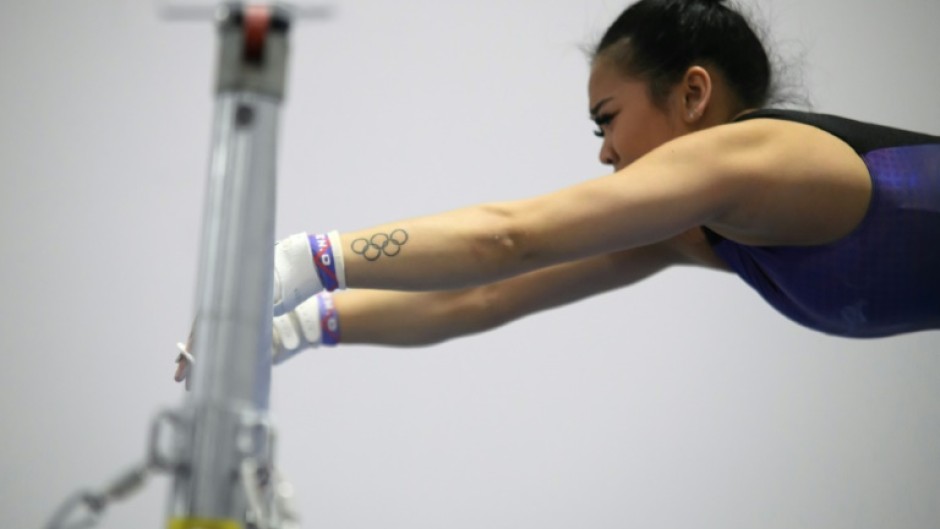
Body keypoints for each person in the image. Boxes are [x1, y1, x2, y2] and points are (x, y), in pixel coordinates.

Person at [175, 0, 940, 382]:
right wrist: (294, 328)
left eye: (608, 119)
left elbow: (508, 236)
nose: (606, 152)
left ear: (693, 93)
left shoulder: (751, 158)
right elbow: (483, 295)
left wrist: (298, 263)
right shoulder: (704, 230)